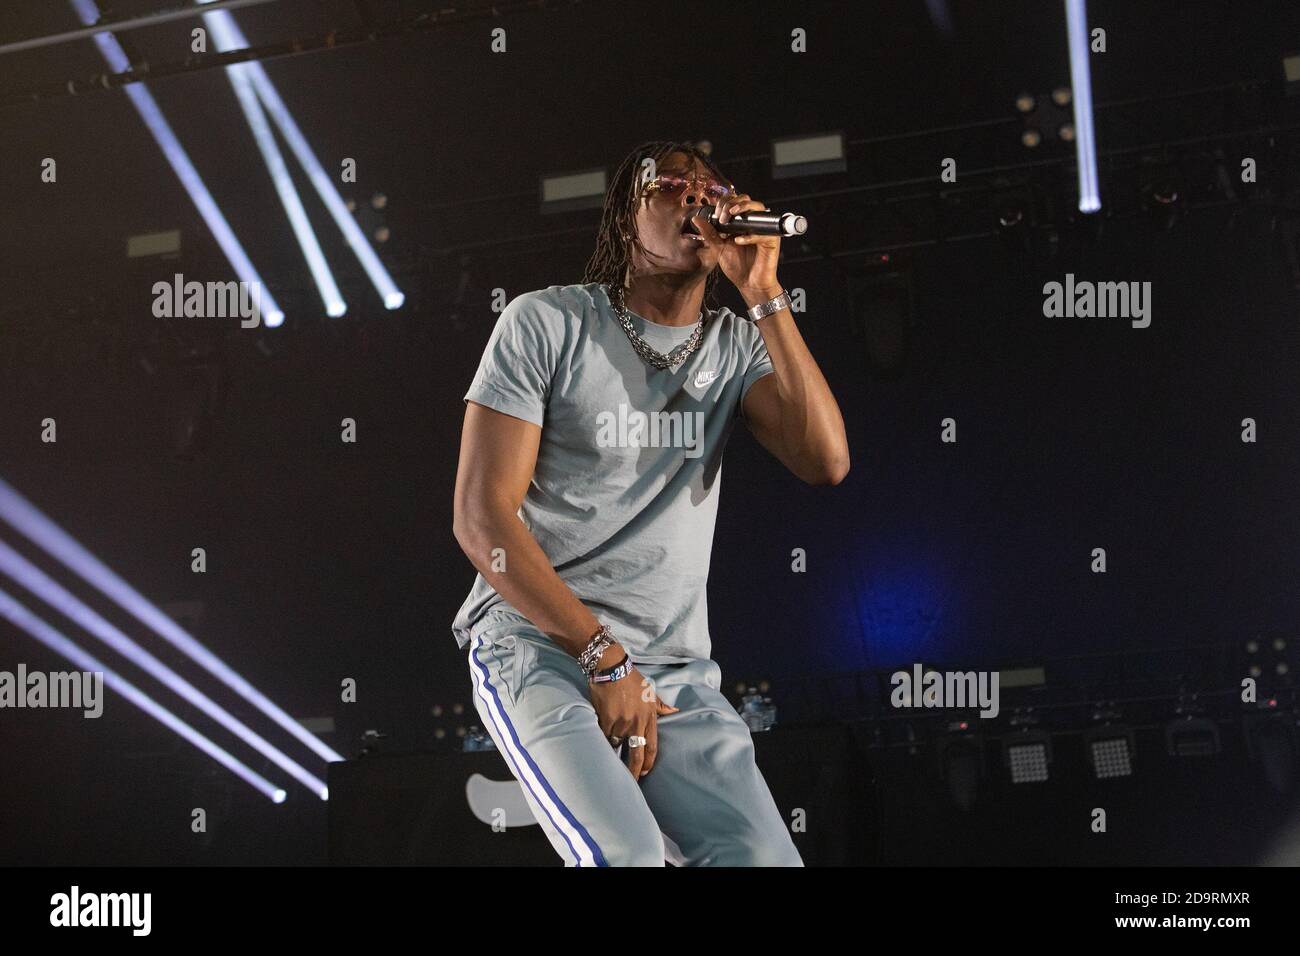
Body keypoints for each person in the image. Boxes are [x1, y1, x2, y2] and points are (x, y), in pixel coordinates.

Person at [451, 139, 849, 865]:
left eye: (712, 188)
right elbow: (481, 520)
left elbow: (825, 461)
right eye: (672, 186)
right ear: (624, 219)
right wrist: (602, 657)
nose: (699, 197)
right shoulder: (547, 323)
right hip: (539, 645)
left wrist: (762, 291)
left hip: (673, 670)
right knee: (623, 855)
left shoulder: (734, 345)